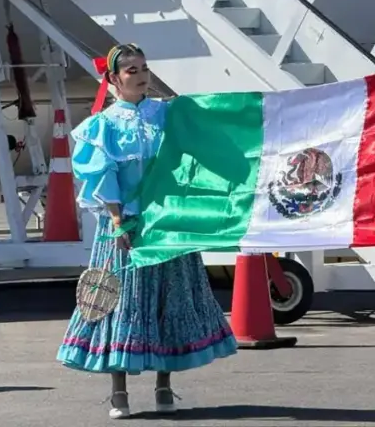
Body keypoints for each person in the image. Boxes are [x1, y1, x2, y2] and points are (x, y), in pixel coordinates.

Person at [55, 44, 238, 419]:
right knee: (120, 302)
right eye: (131, 70)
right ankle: (119, 392)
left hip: (167, 224)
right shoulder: (102, 125)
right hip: (126, 225)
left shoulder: (168, 114)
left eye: (144, 68)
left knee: (168, 301)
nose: (141, 75)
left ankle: (164, 385)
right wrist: (119, 220)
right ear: (113, 79)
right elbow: (101, 175)